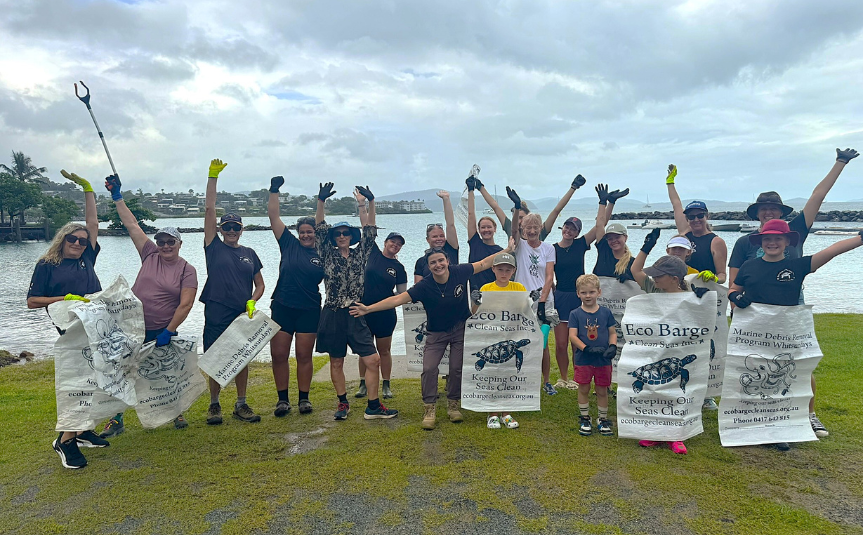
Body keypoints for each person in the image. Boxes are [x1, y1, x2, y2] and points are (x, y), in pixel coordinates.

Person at [728, 148, 858, 437]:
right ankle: (754, 416)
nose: (768, 212)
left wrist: (840, 163)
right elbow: (735, 281)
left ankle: (809, 415)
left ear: (784, 217)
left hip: (790, 305)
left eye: (773, 208)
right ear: (757, 214)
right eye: (763, 209)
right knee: (754, 365)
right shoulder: (744, 244)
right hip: (753, 309)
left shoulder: (797, 229)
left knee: (799, 363)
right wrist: (735, 300)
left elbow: (817, 198)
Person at [729, 220, 863, 451]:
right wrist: (735, 298)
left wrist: (860, 239)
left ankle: (780, 428)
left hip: (786, 335)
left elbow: (832, 250)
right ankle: (752, 425)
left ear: (787, 242)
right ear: (760, 241)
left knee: (785, 378)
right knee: (756, 377)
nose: (772, 242)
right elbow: (733, 289)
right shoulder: (749, 266)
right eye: (767, 238)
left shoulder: (798, 266)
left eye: (778, 238)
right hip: (755, 334)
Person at [350, 245, 509, 430]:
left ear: (447, 262)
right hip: (436, 332)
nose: (438, 265)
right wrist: (368, 308)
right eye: (433, 262)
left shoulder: (460, 272)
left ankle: (453, 405)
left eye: (441, 260)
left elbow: (483, 263)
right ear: (429, 266)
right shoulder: (424, 286)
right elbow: (397, 299)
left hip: (460, 329)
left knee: (456, 368)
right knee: (429, 367)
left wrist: (508, 249)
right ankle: (429, 409)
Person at [99, 175, 198, 437]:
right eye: (162, 241)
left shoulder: (187, 270)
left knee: (166, 373)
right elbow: (131, 224)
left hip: (161, 330)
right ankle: (116, 419)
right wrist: (117, 197)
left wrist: (170, 330)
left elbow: (186, 304)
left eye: (171, 242)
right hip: (131, 327)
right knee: (124, 371)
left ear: (179, 244)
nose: (165, 246)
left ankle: (176, 413)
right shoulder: (149, 253)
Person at [27, 169, 109, 469]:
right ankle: (64, 441)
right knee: (78, 382)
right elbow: (32, 301)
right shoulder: (47, 265)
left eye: (82, 241)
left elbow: (93, 223)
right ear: (63, 239)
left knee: (97, 378)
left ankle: (85, 430)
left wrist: (88, 189)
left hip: (96, 327)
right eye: (73, 239)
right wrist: (63, 299)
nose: (78, 243)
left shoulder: (88, 257)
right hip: (70, 331)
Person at [314, 182, 397, 421]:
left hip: (355, 311)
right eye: (338, 233)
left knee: (373, 359)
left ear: (351, 237)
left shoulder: (360, 253)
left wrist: (371, 202)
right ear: (334, 237)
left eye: (346, 233)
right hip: (332, 312)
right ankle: (342, 403)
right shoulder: (326, 252)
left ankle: (373, 405)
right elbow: (319, 227)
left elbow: (370, 230)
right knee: (336, 361)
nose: (342, 236)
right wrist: (321, 202)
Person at [201, 159, 265, 425]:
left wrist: (252, 301)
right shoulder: (213, 247)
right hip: (216, 309)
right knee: (216, 357)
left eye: (235, 227)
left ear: (242, 229)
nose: (230, 231)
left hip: (241, 313)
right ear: (220, 230)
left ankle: (241, 404)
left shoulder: (249, 254)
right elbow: (209, 209)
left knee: (241, 358)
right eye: (226, 227)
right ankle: (214, 405)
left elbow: (260, 284)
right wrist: (212, 177)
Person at [629, 252, 700, 455]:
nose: (654, 278)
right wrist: (646, 248)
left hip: (678, 349)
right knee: (655, 391)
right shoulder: (653, 288)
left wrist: (703, 300)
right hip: (655, 350)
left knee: (676, 391)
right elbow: (635, 270)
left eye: (660, 275)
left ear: (675, 279)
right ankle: (656, 432)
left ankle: (676, 435)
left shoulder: (691, 298)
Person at [267, 176, 324, 417]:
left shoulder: (324, 252)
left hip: (309, 309)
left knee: (303, 354)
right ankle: (282, 400)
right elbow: (274, 218)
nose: (305, 235)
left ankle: (304, 399)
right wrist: (274, 191)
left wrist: (320, 202)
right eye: (302, 232)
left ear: (316, 233)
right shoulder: (288, 243)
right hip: (282, 306)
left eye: (309, 232)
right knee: (279, 354)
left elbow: (322, 226)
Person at [552, 182, 606, 391]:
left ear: (577, 233)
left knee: (578, 343)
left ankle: (578, 377)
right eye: (567, 226)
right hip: (560, 296)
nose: (569, 230)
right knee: (560, 343)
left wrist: (604, 202)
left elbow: (601, 225)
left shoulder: (581, 244)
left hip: (578, 297)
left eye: (573, 229)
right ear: (563, 228)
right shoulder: (552, 249)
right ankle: (563, 378)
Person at [507, 187, 558, 395]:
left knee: (543, 343)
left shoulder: (548, 248)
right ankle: (523, 379)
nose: (531, 231)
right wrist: (517, 207)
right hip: (521, 300)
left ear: (540, 228)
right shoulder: (519, 245)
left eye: (535, 227)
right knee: (520, 341)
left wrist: (543, 300)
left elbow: (549, 275)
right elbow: (513, 232)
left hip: (543, 301)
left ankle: (546, 381)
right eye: (527, 227)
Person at [470, 252, 525, 430]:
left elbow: (524, 312)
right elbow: (475, 314)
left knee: (509, 374)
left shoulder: (519, 288)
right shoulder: (486, 288)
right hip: (491, 336)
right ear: (493, 269)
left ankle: (506, 412)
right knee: (492, 373)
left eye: (507, 270)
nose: (503, 273)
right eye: (500, 269)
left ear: (513, 271)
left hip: (511, 335)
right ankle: (492, 412)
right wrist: (476, 301)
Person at [355, 230, 407, 400]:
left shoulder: (399, 268)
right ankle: (363, 383)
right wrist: (365, 205)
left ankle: (386, 384)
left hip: (385, 314)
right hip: (363, 310)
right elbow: (367, 228)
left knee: (384, 350)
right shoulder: (373, 253)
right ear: (385, 242)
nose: (395, 245)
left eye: (399, 244)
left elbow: (402, 294)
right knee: (365, 349)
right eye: (393, 241)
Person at [568, 274, 617, 437]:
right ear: (578, 294)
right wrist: (586, 348)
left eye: (591, 292)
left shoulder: (606, 313)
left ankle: (602, 419)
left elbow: (612, 332)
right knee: (583, 388)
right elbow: (573, 336)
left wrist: (613, 346)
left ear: (599, 292)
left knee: (602, 389)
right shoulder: (575, 314)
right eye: (584, 292)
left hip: (603, 359)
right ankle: (585, 418)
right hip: (584, 359)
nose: (588, 296)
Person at [477, 174, 588, 242]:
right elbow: (495, 207)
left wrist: (573, 187)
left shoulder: (539, 232)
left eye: (522, 218)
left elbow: (556, 211)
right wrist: (480, 187)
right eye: (517, 218)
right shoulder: (510, 228)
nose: (519, 221)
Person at [665, 165, 727, 284]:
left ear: (706, 216)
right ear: (687, 219)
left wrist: (714, 278)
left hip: (705, 291)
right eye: (691, 217)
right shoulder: (685, 232)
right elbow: (676, 204)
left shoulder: (716, 242)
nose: (696, 219)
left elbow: (722, 275)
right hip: (682, 288)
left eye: (700, 216)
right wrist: (670, 182)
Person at [465, 174, 503, 291]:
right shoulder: (475, 242)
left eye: (489, 227)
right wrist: (470, 191)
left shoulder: (500, 251)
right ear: (479, 230)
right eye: (483, 228)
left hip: (494, 293)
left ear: (495, 229)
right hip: (475, 292)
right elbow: (471, 215)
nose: (486, 230)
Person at [414, 190, 459, 283]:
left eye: (441, 236)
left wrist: (446, 199)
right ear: (428, 239)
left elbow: (450, 224)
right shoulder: (421, 262)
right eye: (435, 237)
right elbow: (418, 287)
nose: (439, 239)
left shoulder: (451, 249)